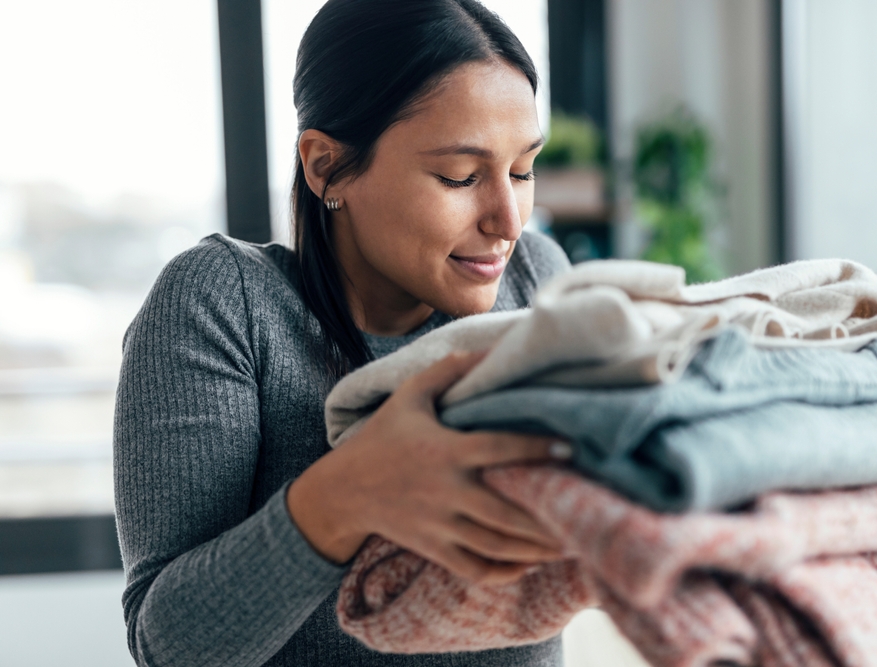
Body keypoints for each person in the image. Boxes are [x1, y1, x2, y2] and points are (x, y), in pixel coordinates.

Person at [113, 0, 575, 665]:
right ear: (325, 165)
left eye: (524, 169)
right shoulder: (226, 306)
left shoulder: (537, 281)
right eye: (461, 176)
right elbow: (174, 646)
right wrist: (355, 487)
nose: (508, 218)